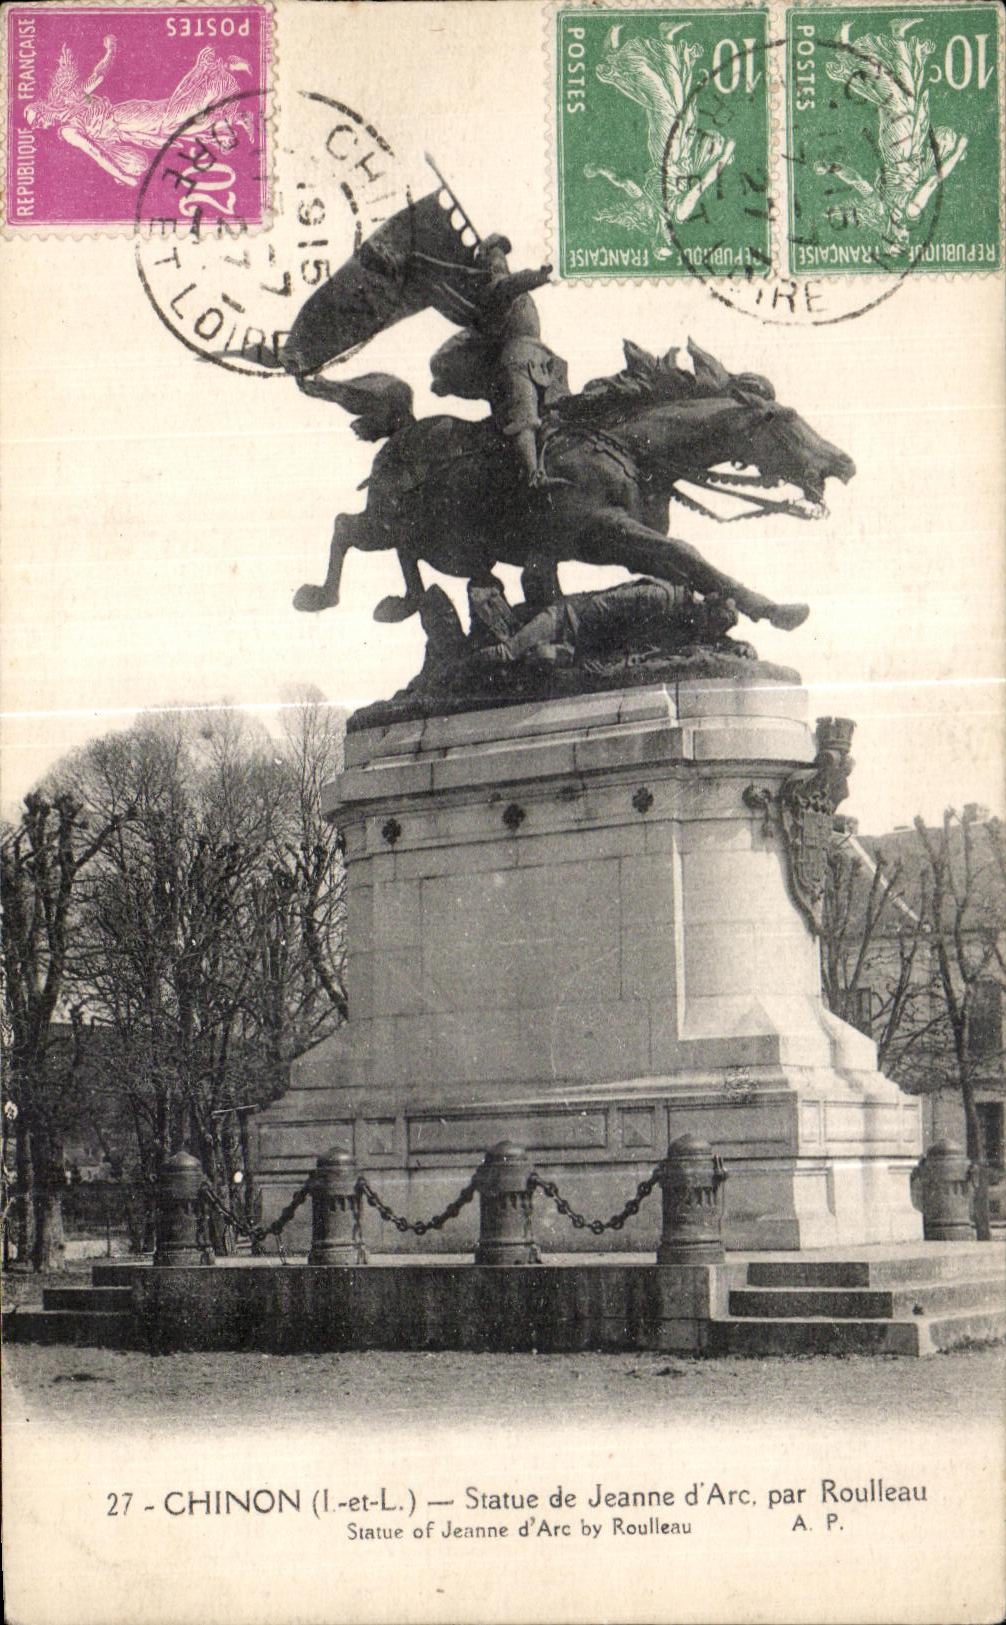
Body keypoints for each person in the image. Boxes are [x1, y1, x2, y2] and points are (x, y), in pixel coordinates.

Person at [428, 234, 569, 487]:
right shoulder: (496, 288)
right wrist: (540, 274)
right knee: (524, 416)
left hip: (541, 359)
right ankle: (533, 476)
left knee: (561, 412)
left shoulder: (511, 291)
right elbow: (513, 284)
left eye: (502, 255)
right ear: (486, 262)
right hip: (516, 360)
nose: (501, 260)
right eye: (495, 255)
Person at [470, 577, 748, 668]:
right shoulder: (659, 597)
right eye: (709, 626)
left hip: (575, 638)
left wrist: (738, 646)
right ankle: (456, 669)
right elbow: (600, 610)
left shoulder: (683, 613)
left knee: (542, 658)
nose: (704, 632)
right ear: (705, 610)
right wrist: (583, 653)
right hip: (565, 618)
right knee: (507, 653)